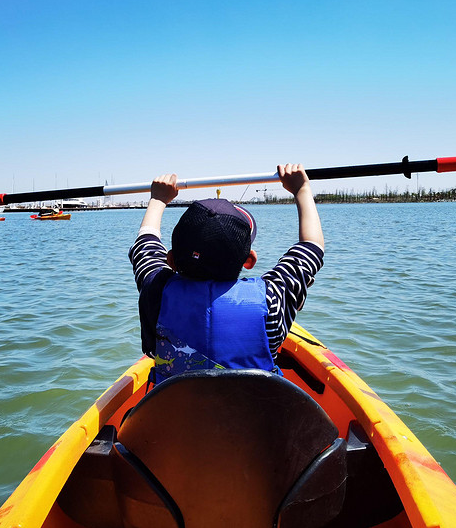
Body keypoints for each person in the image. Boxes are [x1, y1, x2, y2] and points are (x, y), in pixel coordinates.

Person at [129, 164, 324, 385]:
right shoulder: (273, 300)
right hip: (251, 418)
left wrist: (157, 200)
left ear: (170, 259)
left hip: (174, 417)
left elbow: (145, 244)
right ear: (249, 260)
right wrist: (302, 190)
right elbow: (312, 247)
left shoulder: (156, 291)